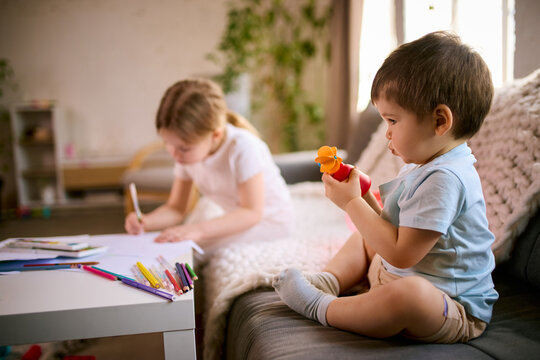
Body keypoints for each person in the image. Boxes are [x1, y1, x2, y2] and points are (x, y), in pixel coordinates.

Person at [273, 31, 498, 343]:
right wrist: (363, 195)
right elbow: (394, 232)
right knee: (363, 238)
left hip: (447, 306)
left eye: (392, 121)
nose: (387, 134)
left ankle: (321, 306)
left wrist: (351, 204)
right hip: (400, 272)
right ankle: (328, 281)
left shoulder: (447, 178)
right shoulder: (424, 164)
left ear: (440, 121)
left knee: (409, 296)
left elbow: (402, 253)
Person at [125, 78, 294, 253]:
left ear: (215, 135)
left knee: (187, 249)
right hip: (236, 217)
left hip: (269, 222)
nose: (173, 153)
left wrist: (199, 230)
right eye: (168, 143)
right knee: (176, 242)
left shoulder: (243, 148)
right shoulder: (185, 154)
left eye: (183, 148)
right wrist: (147, 221)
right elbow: (176, 208)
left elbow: (251, 212)